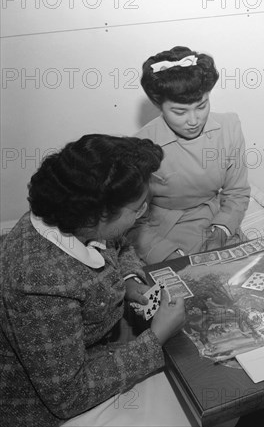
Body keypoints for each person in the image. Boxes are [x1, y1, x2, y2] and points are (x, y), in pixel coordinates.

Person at [0, 134, 188, 427]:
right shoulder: (40, 284)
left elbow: (116, 241)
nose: (143, 213)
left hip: (90, 350)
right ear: (99, 215)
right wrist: (156, 337)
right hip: (42, 402)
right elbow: (68, 396)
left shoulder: (69, 212)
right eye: (138, 207)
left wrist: (126, 278)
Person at [129, 46, 251, 264]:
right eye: (179, 112)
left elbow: (237, 192)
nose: (194, 120)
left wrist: (221, 230)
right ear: (159, 105)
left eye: (201, 106)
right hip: (165, 230)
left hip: (216, 217)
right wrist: (167, 253)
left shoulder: (229, 127)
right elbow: (133, 220)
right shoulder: (140, 146)